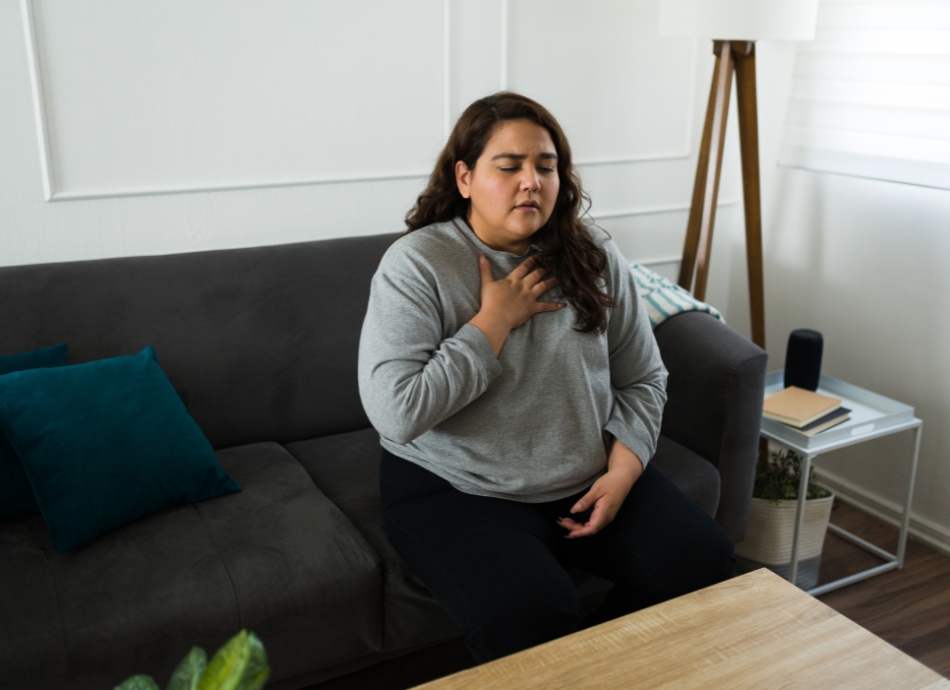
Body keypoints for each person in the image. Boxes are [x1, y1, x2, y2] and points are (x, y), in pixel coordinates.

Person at [358, 92, 733, 664]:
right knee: (532, 614)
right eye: (508, 167)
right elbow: (397, 411)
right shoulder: (418, 264)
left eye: (546, 166)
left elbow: (644, 378)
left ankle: (594, 672)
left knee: (703, 560)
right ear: (464, 177)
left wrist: (625, 470)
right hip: (457, 486)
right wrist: (492, 322)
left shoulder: (595, 253)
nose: (531, 182)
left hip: (582, 476)